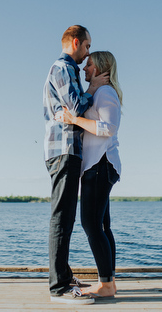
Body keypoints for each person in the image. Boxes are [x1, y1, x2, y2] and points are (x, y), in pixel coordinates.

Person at [42, 25, 108, 304]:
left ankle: (64, 276)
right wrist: (93, 88)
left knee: (66, 216)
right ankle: (59, 287)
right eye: (88, 46)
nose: (88, 52)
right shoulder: (64, 68)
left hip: (66, 150)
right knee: (62, 217)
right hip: (64, 150)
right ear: (76, 43)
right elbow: (76, 107)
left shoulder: (63, 69)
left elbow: (72, 111)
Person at [55, 51, 123, 298]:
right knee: (102, 226)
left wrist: (74, 118)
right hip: (98, 166)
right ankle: (109, 283)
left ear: (100, 67)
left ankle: (106, 285)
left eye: (90, 64)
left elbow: (108, 127)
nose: (84, 68)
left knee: (91, 225)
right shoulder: (98, 91)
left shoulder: (106, 92)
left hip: (100, 165)